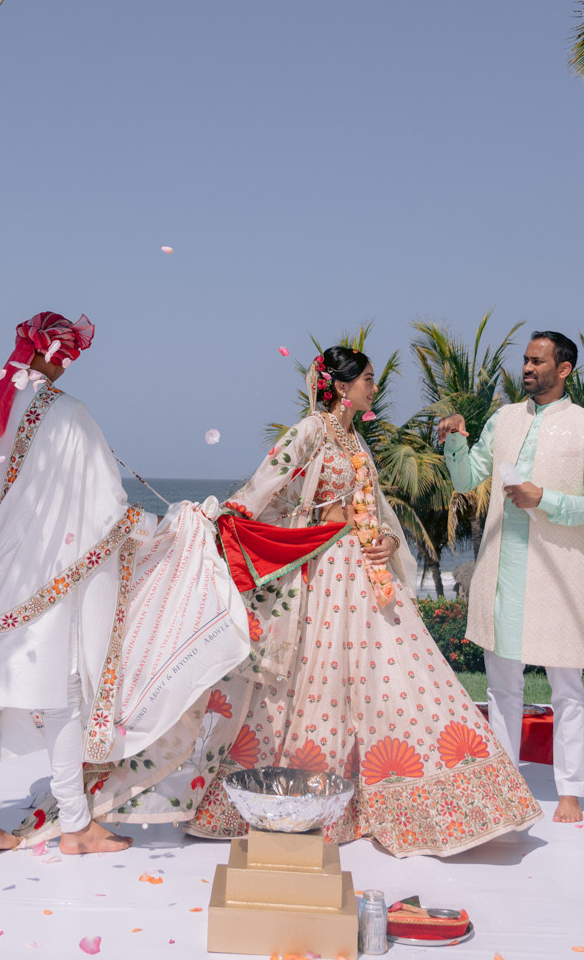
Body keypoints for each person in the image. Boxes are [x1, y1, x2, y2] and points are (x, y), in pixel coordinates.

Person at [159, 346, 542, 856]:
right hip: (321, 575)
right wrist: (217, 525)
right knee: (318, 681)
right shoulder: (310, 431)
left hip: (365, 571)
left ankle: (415, 801)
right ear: (340, 386)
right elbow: (263, 488)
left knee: (393, 675)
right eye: (367, 379)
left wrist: (383, 535)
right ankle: (302, 796)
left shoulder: (356, 439)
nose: (374, 387)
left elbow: (375, 507)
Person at [0, 313, 142, 860]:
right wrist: (138, 530)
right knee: (62, 698)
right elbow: (105, 504)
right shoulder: (69, 414)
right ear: (57, 354)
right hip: (46, 578)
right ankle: (76, 824)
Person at [438, 330, 584, 824]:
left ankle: (570, 791)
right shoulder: (504, 418)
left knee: (566, 688)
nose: (528, 368)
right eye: (526, 360)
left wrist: (546, 500)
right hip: (503, 572)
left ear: (564, 370)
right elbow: (466, 478)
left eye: (539, 361)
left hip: (557, 573)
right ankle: (503, 781)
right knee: (501, 688)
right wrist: (456, 441)